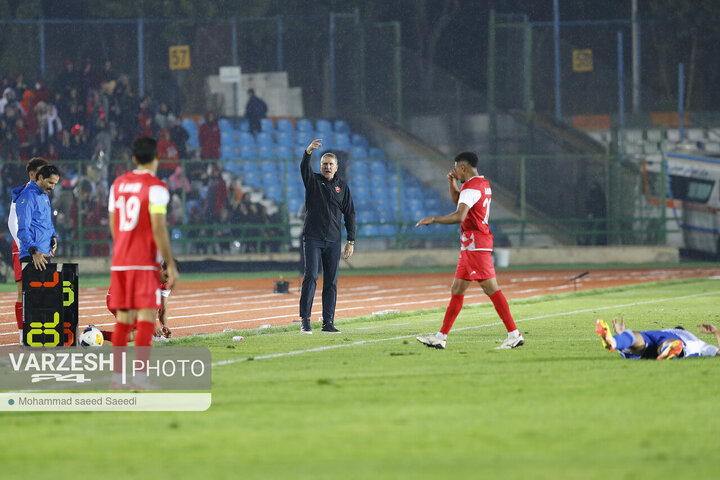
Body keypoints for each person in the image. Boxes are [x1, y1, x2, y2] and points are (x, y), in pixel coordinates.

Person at [415, 151, 523, 350]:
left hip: (475, 244)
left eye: (457, 168)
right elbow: (461, 203)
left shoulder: (471, 187)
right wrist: (452, 184)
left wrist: (434, 219)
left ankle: (514, 334)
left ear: (463, 167)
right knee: (457, 289)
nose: (455, 172)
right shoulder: (482, 184)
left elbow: (460, 215)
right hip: (472, 245)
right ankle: (441, 337)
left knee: (491, 288)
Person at [107, 136, 178, 390]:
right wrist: (169, 262)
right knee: (147, 316)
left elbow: (115, 226)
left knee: (124, 319)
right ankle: (139, 377)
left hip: (121, 261)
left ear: (134, 158)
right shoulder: (157, 187)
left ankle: (117, 378)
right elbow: (158, 228)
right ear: (156, 158)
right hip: (144, 262)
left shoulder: (117, 185)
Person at [298, 139, 355, 334]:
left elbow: (350, 214)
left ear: (337, 167)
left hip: (333, 240)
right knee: (311, 276)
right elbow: (303, 167)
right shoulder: (312, 181)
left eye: (331, 164)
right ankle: (305, 320)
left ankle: (328, 323)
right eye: (324, 164)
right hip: (313, 237)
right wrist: (308, 152)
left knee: (331, 281)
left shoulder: (342, 187)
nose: (328, 167)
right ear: (320, 166)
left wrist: (351, 241)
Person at [7, 157, 49, 340]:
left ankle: (40, 332)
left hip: (40, 249)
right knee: (23, 291)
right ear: (32, 174)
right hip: (24, 248)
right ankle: (23, 334)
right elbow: (12, 223)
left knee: (42, 289)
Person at [100, 260, 175, 343]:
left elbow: (163, 309)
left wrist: (164, 327)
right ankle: (155, 336)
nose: (167, 279)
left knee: (129, 337)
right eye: (166, 275)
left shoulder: (167, 283)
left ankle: (98, 334)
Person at [596, 317, 720, 360]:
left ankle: (616, 341)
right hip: (674, 340)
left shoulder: (670, 331)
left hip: (653, 335)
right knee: (670, 342)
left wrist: (621, 333)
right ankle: (668, 350)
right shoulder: (699, 343)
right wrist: (716, 332)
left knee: (636, 338)